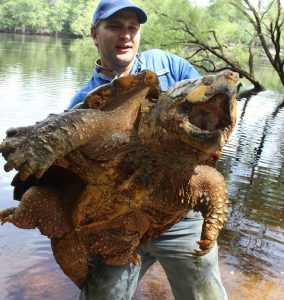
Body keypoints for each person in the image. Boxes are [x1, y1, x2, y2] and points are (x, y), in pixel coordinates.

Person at [69, 1, 228, 299]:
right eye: (114, 26)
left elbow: (213, 114)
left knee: (205, 293)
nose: (125, 35)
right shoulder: (83, 102)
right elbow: (71, 175)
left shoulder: (172, 67)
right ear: (94, 33)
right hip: (118, 222)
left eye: (132, 28)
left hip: (179, 212)